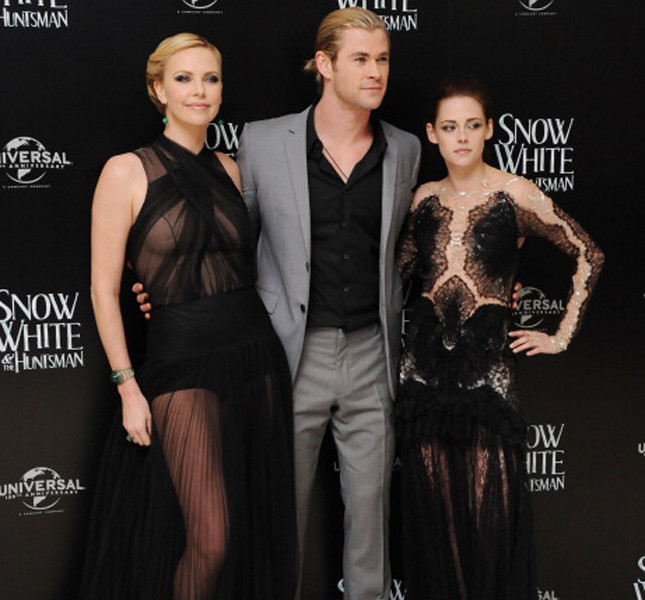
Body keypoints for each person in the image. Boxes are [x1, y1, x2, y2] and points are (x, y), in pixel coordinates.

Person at [80, 33, 297, 600]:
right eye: (184, 78)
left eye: (211, 78)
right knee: (210, 539)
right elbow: (103, 290)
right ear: (158, 90)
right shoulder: (126, 171)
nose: (200, 90)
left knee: (250, 533)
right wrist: (127, 386)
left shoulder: (233, 169)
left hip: (255, 357)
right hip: (180, 364)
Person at [394, 74, 604, 600]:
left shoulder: (515, 192)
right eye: (449, 127)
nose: (461, 136)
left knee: (490, 521)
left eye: (472, 125)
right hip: (423, 373)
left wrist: (561, 336)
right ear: (432, 133)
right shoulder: (423, 198)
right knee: (436, 520)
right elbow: (396, 275)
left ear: (489, 129)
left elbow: (588, 253)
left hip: (486, 372)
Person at [236, 8, 420, 600]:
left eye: (382, 59)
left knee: (371, 514)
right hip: (292, 355)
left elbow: (415, 246)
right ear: (324, 64)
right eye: (360, 59)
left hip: (372, 353)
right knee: (280, 515)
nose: (375, 72)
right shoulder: (263, 142)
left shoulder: (406, 149)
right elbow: (235, 246)